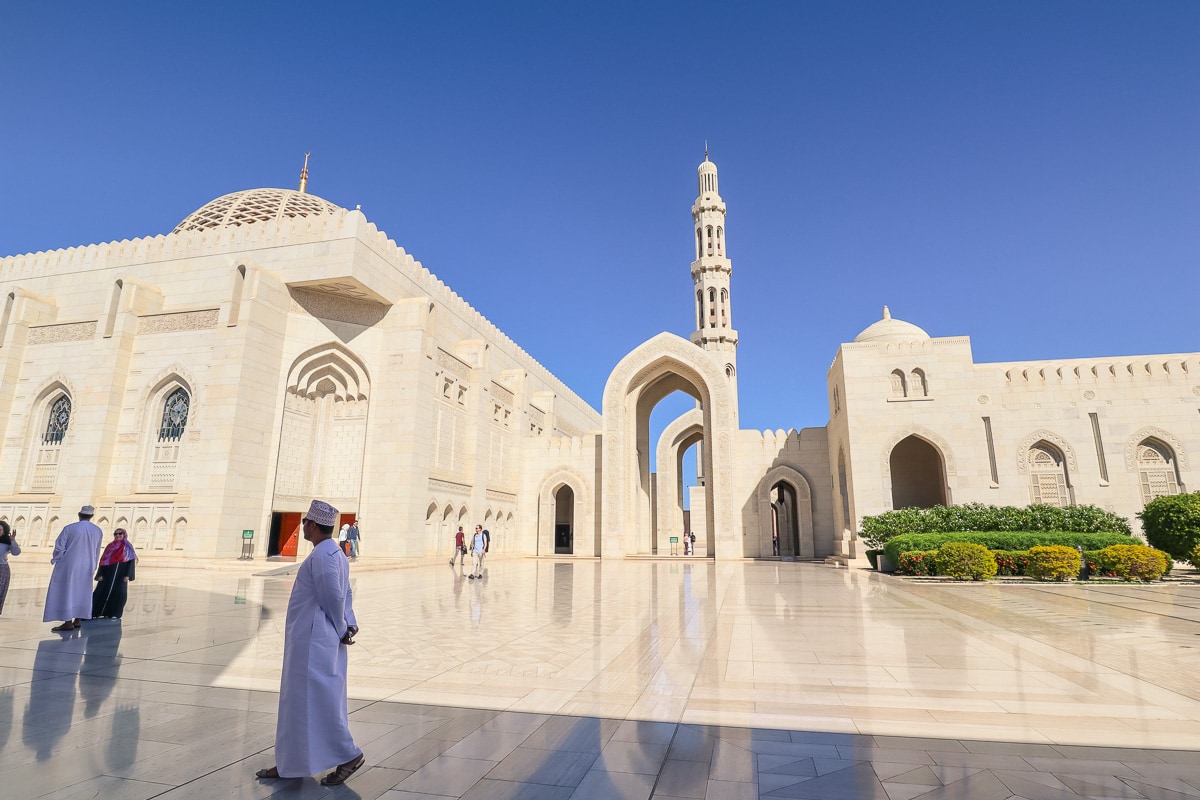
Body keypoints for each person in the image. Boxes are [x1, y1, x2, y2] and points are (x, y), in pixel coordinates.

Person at [256, 499, 364, 786]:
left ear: (313, 525)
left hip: (314, 643)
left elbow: (335, 597)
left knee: (318, 703)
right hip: (313, 640)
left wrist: (343, 627)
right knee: (300, 704)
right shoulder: (333, 554)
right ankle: (291, 764)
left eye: (305, 522)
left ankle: (348, 754)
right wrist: (348, 623)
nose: (303, 525)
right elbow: (346, 595)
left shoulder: (325, 557)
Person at [44, 505, 103, 631]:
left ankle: (68, 621)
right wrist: (93, 565)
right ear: (91, 516)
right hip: (87, 565)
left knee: (68, 591)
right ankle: (78, 619)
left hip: (69, 565)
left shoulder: (70, 528)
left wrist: (57, 559)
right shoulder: (97, 530)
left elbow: (59, 547)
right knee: (82, 592)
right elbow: (97, 551)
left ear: (79, 514)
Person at [92, 528, 137, 619]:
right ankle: (95, 612)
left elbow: (131, 561)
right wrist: (100, 574)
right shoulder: (110, 546)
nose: (118, 535)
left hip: (121, 575)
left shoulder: (127, 547)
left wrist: (128, 575)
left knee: (119, 594)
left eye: (120, 534)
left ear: (124, 535)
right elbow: (103, 561)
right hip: (107, 574)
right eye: (115, 534)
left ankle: (114, 613)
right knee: (100, 592)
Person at [0, 520, 21, 615]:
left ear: (4, 531)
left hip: (2, 570)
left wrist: (13, 541)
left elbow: (16, 552)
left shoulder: (6, 542)